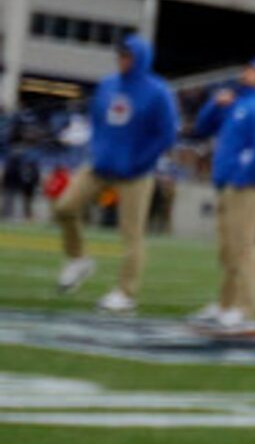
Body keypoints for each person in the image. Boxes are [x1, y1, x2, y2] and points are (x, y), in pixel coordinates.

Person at [51, 32, 178, 314]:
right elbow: (97, 120)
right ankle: (78, 258)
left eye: (127, 56)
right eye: (119, 55)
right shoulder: (107, 85)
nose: (121, 60)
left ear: (139, 58)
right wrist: (97, 149)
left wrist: (140, 161)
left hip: (136, 172)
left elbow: (167, 135)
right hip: (100, 165)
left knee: (131, 234)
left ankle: (125, 293)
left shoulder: (158, 92)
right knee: (65, 207)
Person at [183, 59, 255, 331]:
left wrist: (242, 176)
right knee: (227, 250)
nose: (247, 73)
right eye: (248, 69)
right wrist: (216, 103)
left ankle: (245, 308)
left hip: (246, 187)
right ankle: (226, 303)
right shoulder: (235, 103)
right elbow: (202, 127)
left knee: (243, 247)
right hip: (227, 184)